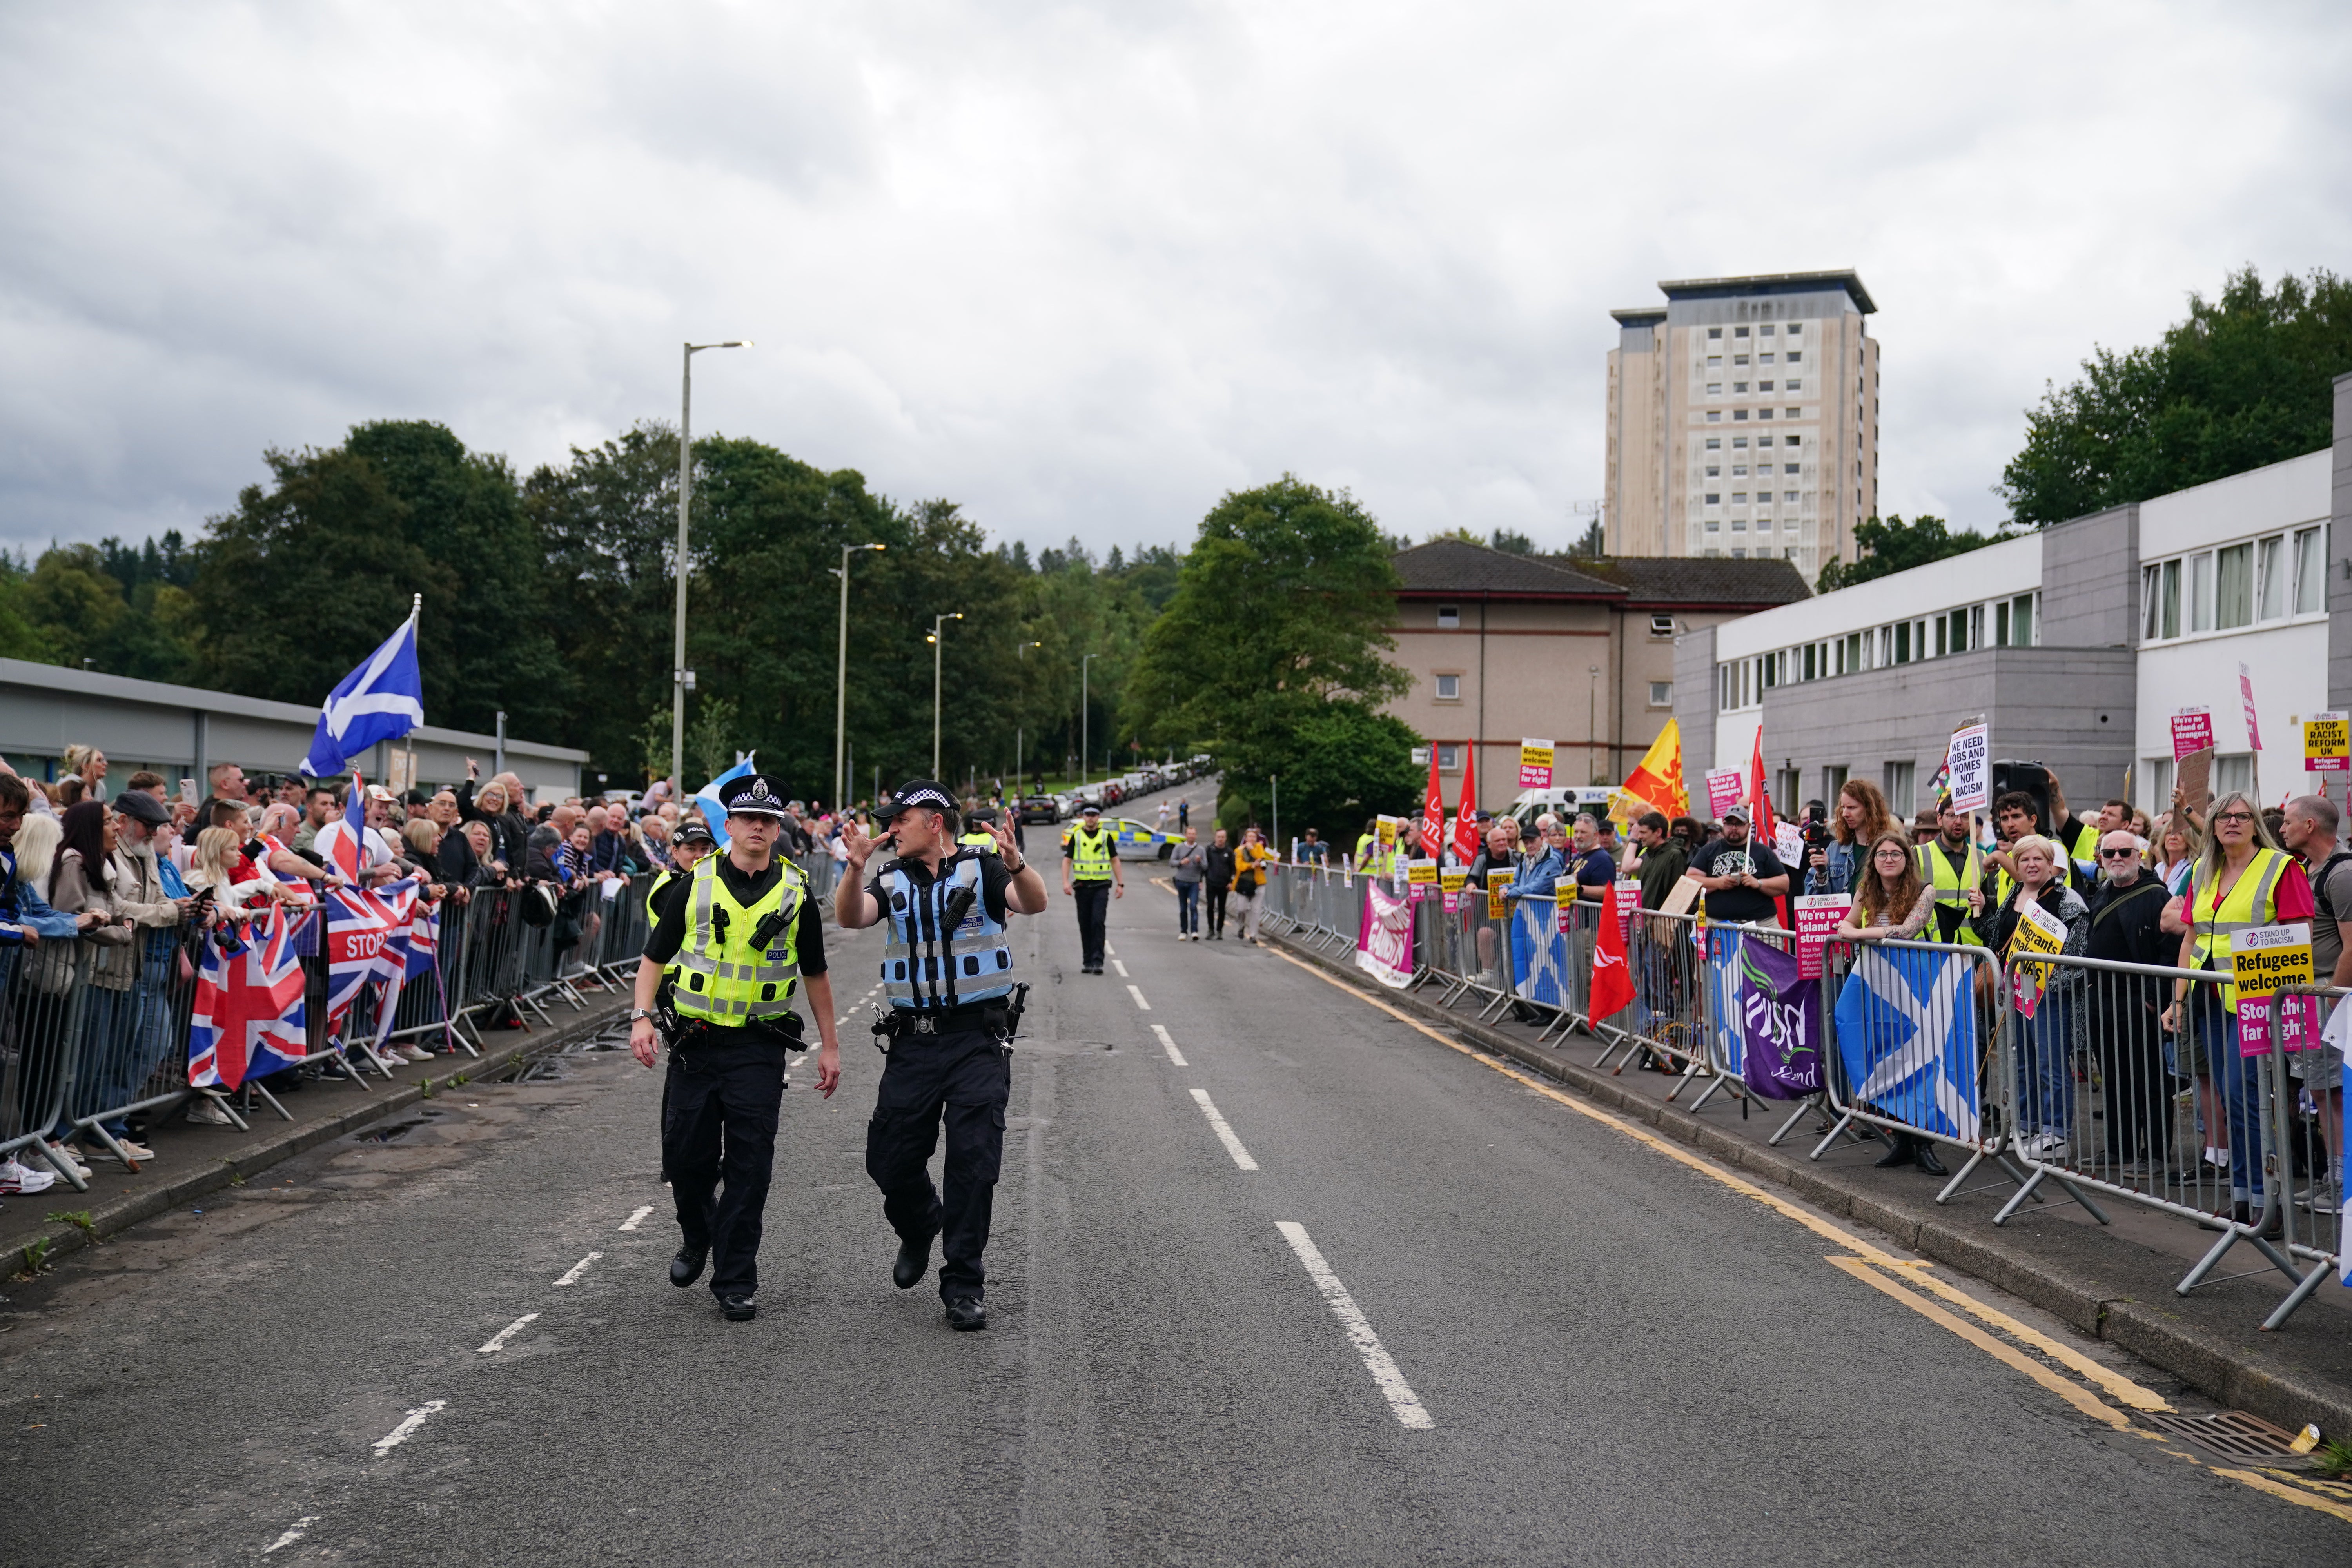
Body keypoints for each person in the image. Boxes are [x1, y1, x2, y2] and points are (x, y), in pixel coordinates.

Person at [627, 773, 841, 1323]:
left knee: (751, 1165)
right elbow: (654, 957)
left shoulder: (796, 893)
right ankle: (698, 1233)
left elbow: (815, 973)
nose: (758, 828)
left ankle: (736, 1278)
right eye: (749, 819)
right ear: (731, 825)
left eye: (768, 821)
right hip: (695, 1044)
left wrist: (830, 1046)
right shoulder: (693, 884)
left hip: (757, 1048)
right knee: (685, 1158)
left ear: (778, 829)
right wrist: (641, 1019)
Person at [835, 780, 1047, 1332]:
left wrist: (1018, 863)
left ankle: (963, 1286)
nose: (891, 827)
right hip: (913, 1042)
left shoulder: (985, 869)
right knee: (889, 1158)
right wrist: (855, 868)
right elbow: (852, 917)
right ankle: (920, 1224)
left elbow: (1034, 902)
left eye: (900, 819)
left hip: (976, 1038)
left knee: (974, 1163)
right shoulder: (891, 876)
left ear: (934, 821)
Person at [2162, 791, 2313, 1227]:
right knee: (2232, 1098)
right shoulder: (2202, 870)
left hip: (2257, 1002)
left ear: (2255, 824)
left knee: (2243, 1097)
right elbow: (2192, 939)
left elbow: (2297, 935)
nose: (2233, 822)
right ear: (2211, 825)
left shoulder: (2281, 867)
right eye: (2224, 816)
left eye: (2243, 816)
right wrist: (2178, 998)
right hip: (2211, 998)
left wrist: (2278, 997)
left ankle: (2267, 1203)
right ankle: (2244, 1199)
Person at [1836, 831, 1944, 1174]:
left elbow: (1907, 930)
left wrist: (1856, 934)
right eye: (1882, 854)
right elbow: (1848, 922)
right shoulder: (1866, 889)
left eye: (1896, 854)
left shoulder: (1925, 890)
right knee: (1887, 1056)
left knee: (1920, 1057)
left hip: (1917, 982)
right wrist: (1848, 929)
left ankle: (1924, 1143)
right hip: (1879, 984)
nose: (1889, 860)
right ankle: (1900, 1139)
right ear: (1874, 861)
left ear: (1906, 859)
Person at [1978, 834, 2089, 1161]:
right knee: (2020, 1063)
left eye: (2038, 858)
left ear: (2051, 864)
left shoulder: (2069, 902)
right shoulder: (2014, 892)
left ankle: (2056, 1135)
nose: (2031, 864)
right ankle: (2025, 1128)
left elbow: (2078, 958)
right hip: (2017, 992)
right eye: (2024, 859)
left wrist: (2045, 983)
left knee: (2050, 1066)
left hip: (2050, 997)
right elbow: (1995, 935)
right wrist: (1981, 911)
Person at [2083, 830, 2175, 1176]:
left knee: (2149, 1079)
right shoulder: (2103, 891)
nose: (2117, 858)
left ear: (2140, 855)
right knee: (2113, 1077)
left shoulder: (2156, 896)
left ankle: (2155, 1154)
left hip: (2139, 1002)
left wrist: (2155, 999)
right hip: (2102, 1000)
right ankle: (2120, 1147)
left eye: (2125, 852)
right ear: (2100, 857)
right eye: (2110, 853)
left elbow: (2170, 953)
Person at [2278, 795, 2348, 1213]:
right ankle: (2332, 1178)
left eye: (2287, 822)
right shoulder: (2307, 869)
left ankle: (2342, 1184)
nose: (2282, 829)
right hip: (2311, 996)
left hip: (2328, 997)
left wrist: (2333, 1000)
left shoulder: (2342, 875)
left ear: (2309, 825)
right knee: (2320, 1092)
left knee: (2332, 1094)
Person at [1689, 808, 1789, 928]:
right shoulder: (1709, 850)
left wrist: (1758, 883)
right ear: (1724, 824)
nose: (1734, 828)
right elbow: (1690, 881)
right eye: (1730, 823)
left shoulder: (1763, 851)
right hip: (1717, 924)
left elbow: (1784, 883)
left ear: (1748, 826)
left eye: (1739, 824)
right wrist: (1718, 883)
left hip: (1761, 925)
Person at [1914, 797, 1986, 947]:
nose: (1958, 821)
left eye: (1965, 816)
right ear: (1940, 819)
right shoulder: (1919, 854)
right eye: (1952, 815)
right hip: (1934, 946)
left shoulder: (1981, 857)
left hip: (1973, 949)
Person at [1807, 779, 1896, 897]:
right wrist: (1821, 873)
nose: (1845, 814)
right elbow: (1812, 899)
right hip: (1842, 916)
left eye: (1852, 808)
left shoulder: (1890, 848)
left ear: (1869, 809)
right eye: (1843, 808)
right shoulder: (1835, 850)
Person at [1060, 802, 1122, 973]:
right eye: (1088, 815)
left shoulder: (1106, 836)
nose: (1091, 818)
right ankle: (1087, 961)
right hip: (1082, 887)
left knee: (1098, 922)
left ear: (1098, 817)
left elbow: (1115, 860)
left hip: (1101, 886)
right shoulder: (1077, 836)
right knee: (1085, 924)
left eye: (1094, 815)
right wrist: (1065, 882)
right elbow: (1067, 860)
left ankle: (1098, 961)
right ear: (1083, 817)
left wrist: (1121, 884)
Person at [1231, 827, 1272, 944]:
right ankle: (1241, 926)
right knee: (1241, 909)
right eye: (1250, 837)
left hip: (1259, 883)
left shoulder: (1259, 847)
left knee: (1256, 910)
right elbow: (1240, 866)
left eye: (1254, 837)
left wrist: (1252, 851)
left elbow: (1260, 858)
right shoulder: (1239, 850)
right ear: (1246, 838)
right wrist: (1251, 866)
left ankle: (1253, 935)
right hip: (1243, 883)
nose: (1252, 839)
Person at [1169, 826, 1205, 940]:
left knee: (1194, 906)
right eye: (1189, 834)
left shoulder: (1201, 850)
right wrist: (1181, 862)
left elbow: (1206, 866)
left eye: (1193, 834)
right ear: (1186, 835)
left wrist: (1200, 862)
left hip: (1194, 882)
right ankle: (1183, 931)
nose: (1191, 836)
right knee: (1183, 908)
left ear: (1196, 836)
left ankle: (1194, 931)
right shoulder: (1179, 848)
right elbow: (1172, 862)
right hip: (1181, 880)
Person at [1203, 828, 1236, 940]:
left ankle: (1220, 930)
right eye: (1219, 837)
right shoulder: (1209, 850)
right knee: (1210, 906)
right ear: (1215, 838)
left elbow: (1233, 869)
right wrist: (1201, 880)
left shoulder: (1229, 852)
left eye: (1223, 837)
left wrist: (1231, 882)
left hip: (1224, 884)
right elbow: (1205, 866)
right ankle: (1211, 929)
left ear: (1225, 838)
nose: (1221, 839)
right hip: (1211, 883)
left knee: (1222, 908)